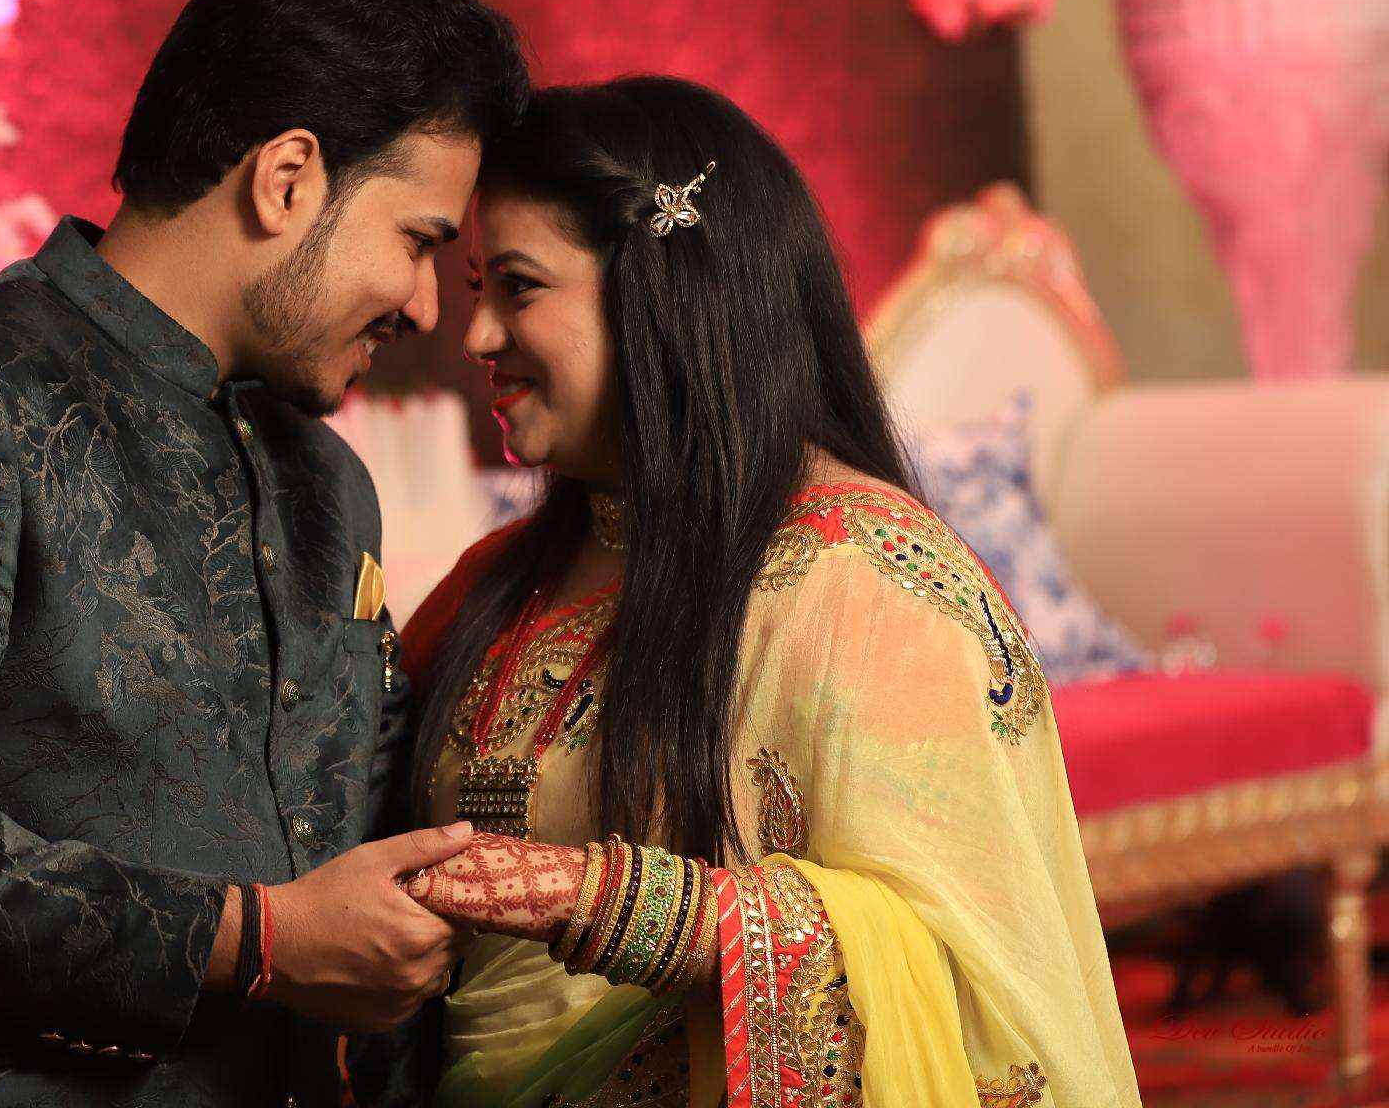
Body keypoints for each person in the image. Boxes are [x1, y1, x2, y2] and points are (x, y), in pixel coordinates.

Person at [0, 0, 527, 1108]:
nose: (425, 305)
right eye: (418, 240)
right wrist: (258, 941)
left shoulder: (326, 484)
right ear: (288, 178)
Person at [395, 77, 1142, 1108]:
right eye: (479, 286)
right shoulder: (491, 583)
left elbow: (977, 983)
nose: (476, 335)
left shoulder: (867, 580)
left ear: (663, 292)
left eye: (518, 288)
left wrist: (623, 905)